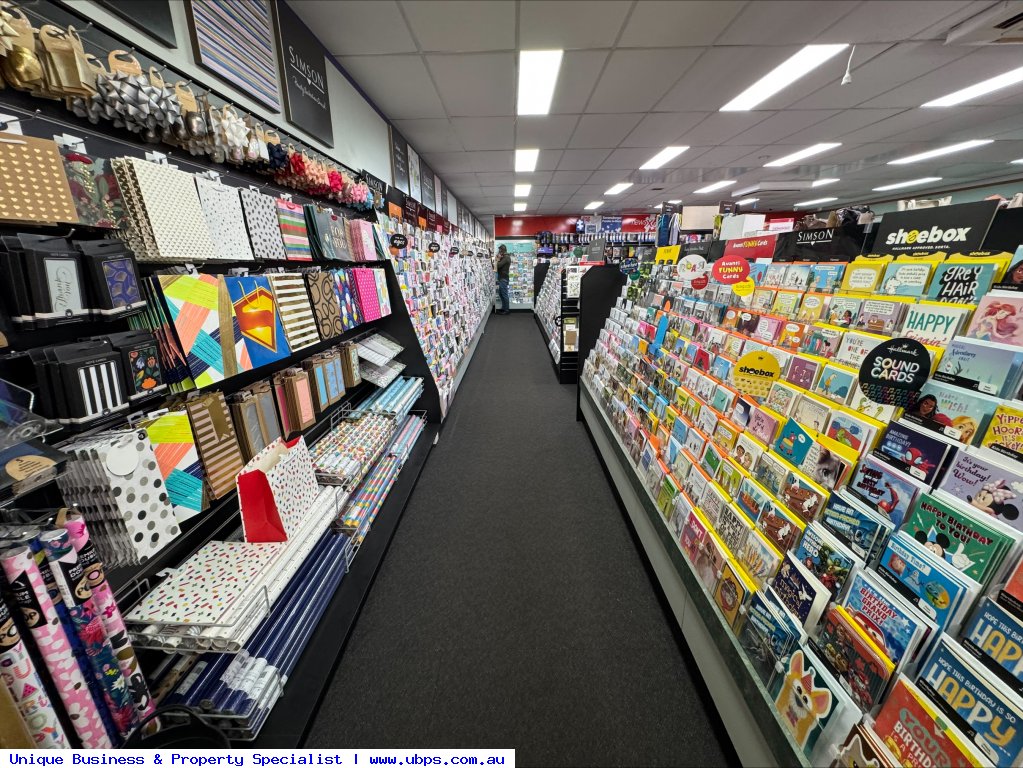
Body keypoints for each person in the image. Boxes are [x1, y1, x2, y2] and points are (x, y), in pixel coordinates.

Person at [495, 245, 511, 314]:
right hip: (502, 277)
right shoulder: (505, 257)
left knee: (504, 294)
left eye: (500, 250)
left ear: (502, 250)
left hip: (503, 278)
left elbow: (498, 265)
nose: (499, 251)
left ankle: (506, 310)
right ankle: (503, 308)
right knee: (501, 294)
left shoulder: (506, 257)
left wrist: (498, 259)